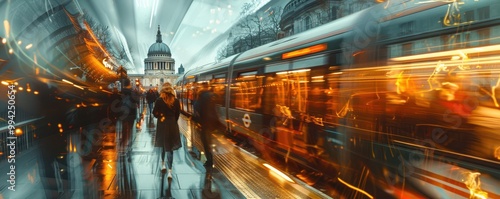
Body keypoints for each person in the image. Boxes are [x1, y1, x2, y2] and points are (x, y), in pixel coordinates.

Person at [153, 86, 182, 178]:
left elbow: (154, 113)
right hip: (172, 124)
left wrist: (160, 116)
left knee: (163, 145)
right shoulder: (176, 101)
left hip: (162, 124)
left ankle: (163, 165)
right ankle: (170, 171)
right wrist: (173, 120)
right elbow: (178, 113)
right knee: (170, 147)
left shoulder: (159, 100)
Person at [193, 82, 218, 168]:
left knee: (205, 142)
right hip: (211, 122)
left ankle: (209, 161)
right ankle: (210, 159)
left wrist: (197, 121)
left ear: (202, 87)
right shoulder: (212, 95)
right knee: (209, 141)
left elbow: (196, 107)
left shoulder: (201, 96)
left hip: (204, 122)